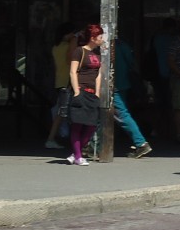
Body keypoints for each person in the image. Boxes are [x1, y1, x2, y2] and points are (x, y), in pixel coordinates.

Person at [66, 24, 105, 166]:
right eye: (100, 36)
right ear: (93, 38)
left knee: (91, 126)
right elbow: (73, 71)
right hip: (81, 90)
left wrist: (98, 92)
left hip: (92, 93)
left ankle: (75, 153)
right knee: (77, 125)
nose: (102, 39)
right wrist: (76, 91)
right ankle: (78, 156)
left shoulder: (97, 53)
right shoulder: (79, 51)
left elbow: (98, 74)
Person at [113, 37, 152, 157]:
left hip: (113, 84)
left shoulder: (107, 46)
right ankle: (93, 144)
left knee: (121, 114)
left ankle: (141, 143)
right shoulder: (123, 45)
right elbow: (131, 63)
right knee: (116, 113)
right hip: (123, 82)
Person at [45, 23, 75, 149]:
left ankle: (53, 138)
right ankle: (51, 139)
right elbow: (70, 59)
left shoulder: (55, 47)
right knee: (63, 112)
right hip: (68, 82)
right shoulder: (68, 47)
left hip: (60, 81)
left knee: (61, 112)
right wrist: (75, 41)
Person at [149, 18, 177, 135]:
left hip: (157, 74)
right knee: (170, 103)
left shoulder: (156, 38)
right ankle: (171, 129)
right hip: (169, 74)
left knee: (159, 102)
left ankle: (156, 129)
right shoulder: (172, 40)